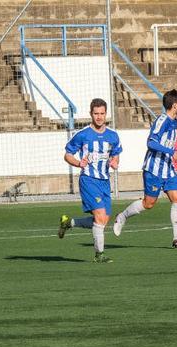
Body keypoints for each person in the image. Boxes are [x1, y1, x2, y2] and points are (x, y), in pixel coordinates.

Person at [112, 89, 177, 248]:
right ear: (175, 105)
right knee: (149, 203)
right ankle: (121, 217)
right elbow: (151, 142)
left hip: (168, 169)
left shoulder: (174, 120)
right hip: (154, 169)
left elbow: (166, 142)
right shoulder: (162, 120)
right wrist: (172, 152)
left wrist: (174, 153)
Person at [58, 98, 122, 263]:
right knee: (100, 217)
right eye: (96, 114)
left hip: (104, 181)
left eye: (102, 113)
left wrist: (115, 161)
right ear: (91, 114)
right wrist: (79, 163)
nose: (99, 117)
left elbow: (116, 153)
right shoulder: (83, 135)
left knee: (102, 220)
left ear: (106, 114)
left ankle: (69, 223)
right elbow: (67, 154)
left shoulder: (113, 135)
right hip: (88, 179)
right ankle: (99, 255)